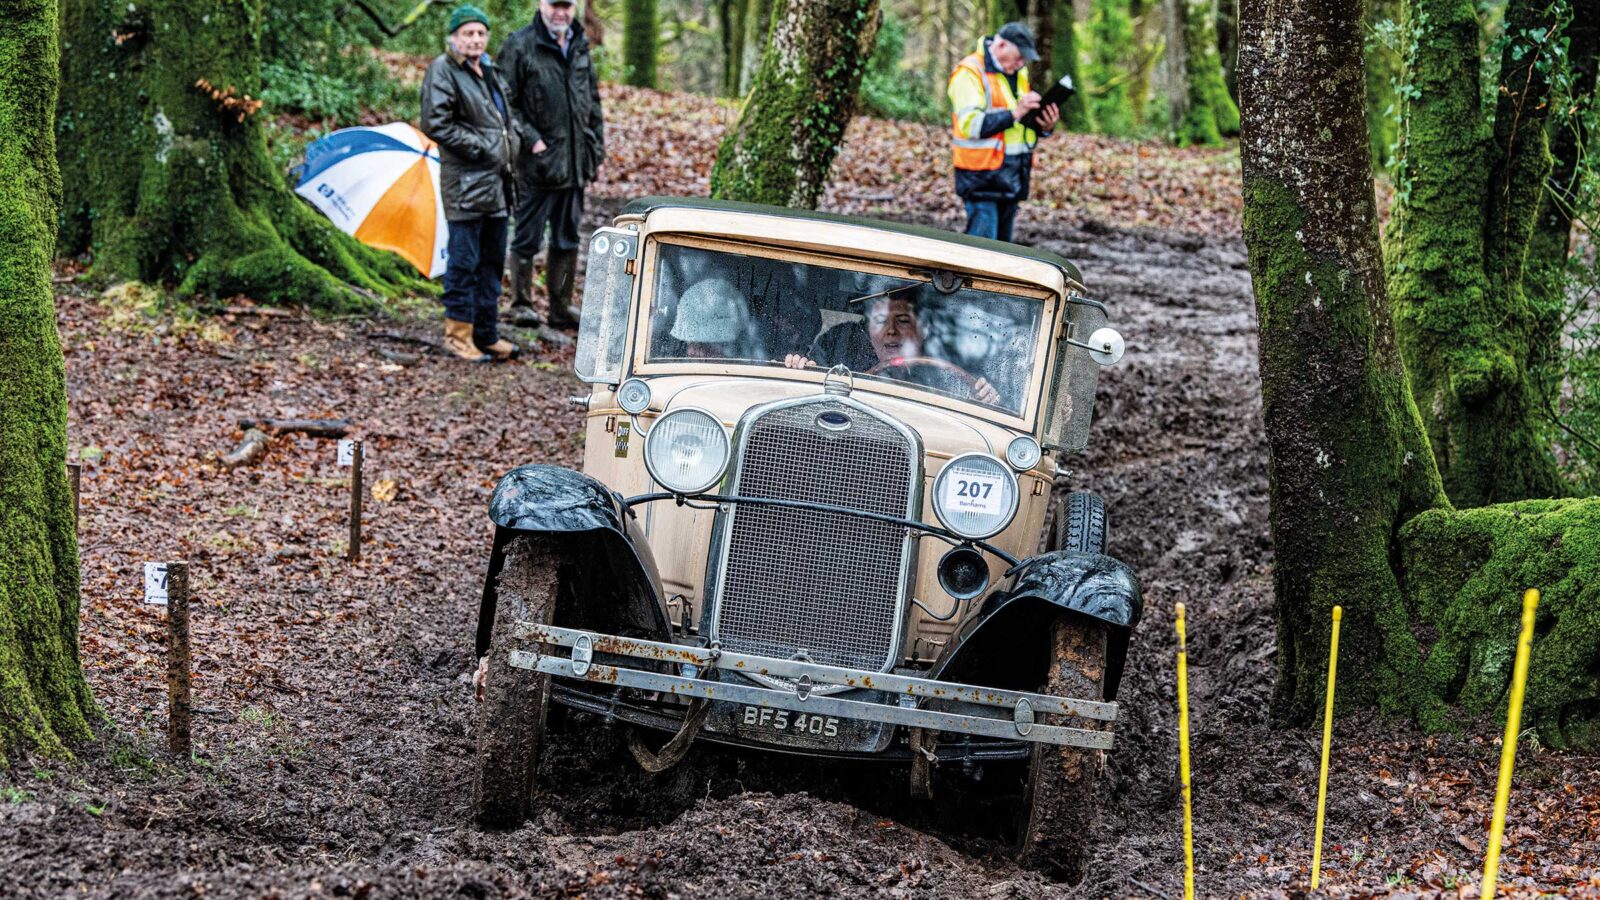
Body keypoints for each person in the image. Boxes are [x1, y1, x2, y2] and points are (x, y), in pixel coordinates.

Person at [420, 4, 521, 362]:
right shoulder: (443, 70)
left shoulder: (488, 69)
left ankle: (486, 333)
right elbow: (436, 123)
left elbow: (503, 120)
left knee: (493, 262)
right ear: (454, 38)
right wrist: (483, 149)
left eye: (480, 33)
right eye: (468, 33)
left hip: (497, 184)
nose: (475, 39)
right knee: (465, 262)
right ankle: (457, 335)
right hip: (465, 183)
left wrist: (514, 142)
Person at [499, 0, 605, 329]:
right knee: (527, 238)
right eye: (554, 5)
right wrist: (532, 140)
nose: (560, 12)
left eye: (567, 6)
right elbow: (505, 102)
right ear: (541, 5)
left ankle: (561, 307)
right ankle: (521, 304)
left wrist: (595, 150)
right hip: (536, 165)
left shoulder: (579, 45)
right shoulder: (520, 45)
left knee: (567, 239)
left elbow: (593, 103)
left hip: (574, 164)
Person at [947, 22, 1059, 243]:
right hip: (981, 179)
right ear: (1000, 45)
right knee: (982, 255)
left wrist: (1044, 126)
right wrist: (1016, 113)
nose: (1021, 63)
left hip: (1011, 179)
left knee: (1003, 256)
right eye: (1018, 57)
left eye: (1023, 59)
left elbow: (1019, 125)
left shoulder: (1017, 72)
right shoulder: (969, 73)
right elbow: (971, 125)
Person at [785, 293, 1001, 405]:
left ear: (923, 329)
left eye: (903, 321)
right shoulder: (838, 350)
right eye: (880, 321)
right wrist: (803, 371)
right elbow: (815, 387)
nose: (891, 331)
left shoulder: (945, 368)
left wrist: (984, 398)